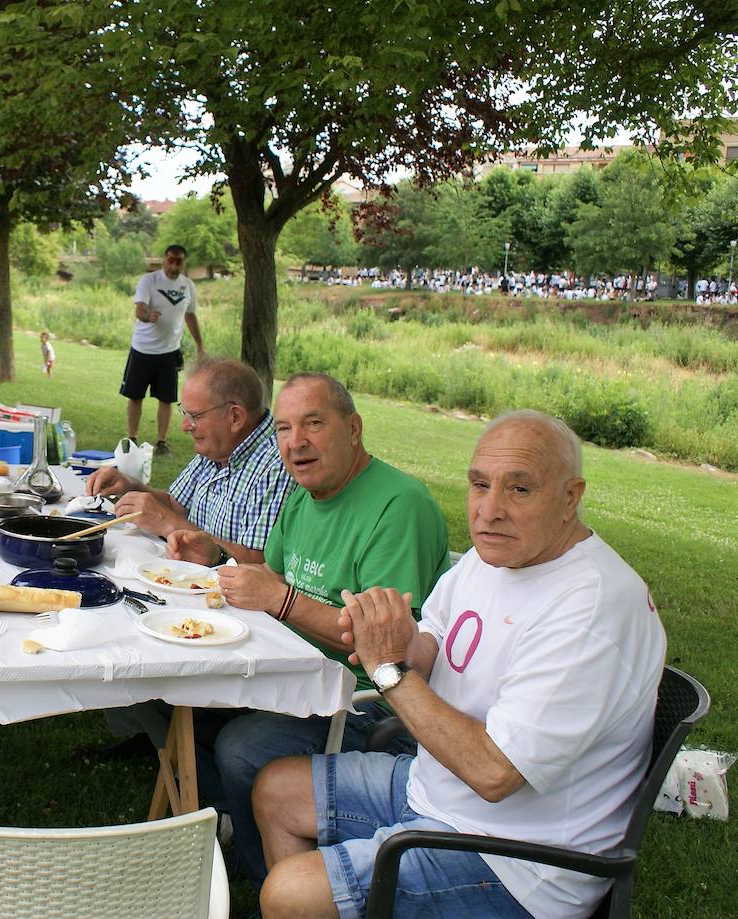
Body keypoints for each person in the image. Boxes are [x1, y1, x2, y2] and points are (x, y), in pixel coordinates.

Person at [251, 410, 666, 919]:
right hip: (437, 793)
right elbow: (434, 640)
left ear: (570, 497)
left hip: (518, 863)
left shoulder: (592, 608)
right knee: (277, 792)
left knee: (289, 893)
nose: (489, 510)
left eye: (519, 489)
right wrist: (401, 642)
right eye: (479, 484)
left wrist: (387, 671)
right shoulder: (492, 556)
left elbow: (494, 773)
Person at [168, 372, 450, 888]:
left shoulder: (399, 506)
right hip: (293, 673)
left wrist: (284, 600)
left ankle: (269, 881)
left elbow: (383, 641)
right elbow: (274, 577)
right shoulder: (305, 492)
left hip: (370, 700)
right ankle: (232, 821)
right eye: (282, 428)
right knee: (177, 699)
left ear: (354, 428)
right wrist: (213, 555)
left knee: (242, 746)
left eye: (313, 424)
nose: (295, 443)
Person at [87, 357, 293, 563]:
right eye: (184, 413)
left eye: (195, 416)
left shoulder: (278, 464)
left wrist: (168, 524)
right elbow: (175, 505)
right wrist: (130, 486)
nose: (185, 426)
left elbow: (259, 561)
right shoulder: (219, 447)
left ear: (235, 417)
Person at [122, 244, 204, 456]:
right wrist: (148, 316)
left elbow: (190, 315)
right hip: (143, 349)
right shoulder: (150, 281)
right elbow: (139, 309)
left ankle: (161, 442)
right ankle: (131, 439)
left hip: (169, 352)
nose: (174, 265)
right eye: (170, 260)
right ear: (163, 260)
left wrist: (199, 344)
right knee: (135, 395)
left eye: (179, 261)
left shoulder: (187, 286)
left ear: (183, 263)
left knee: (166, 399)